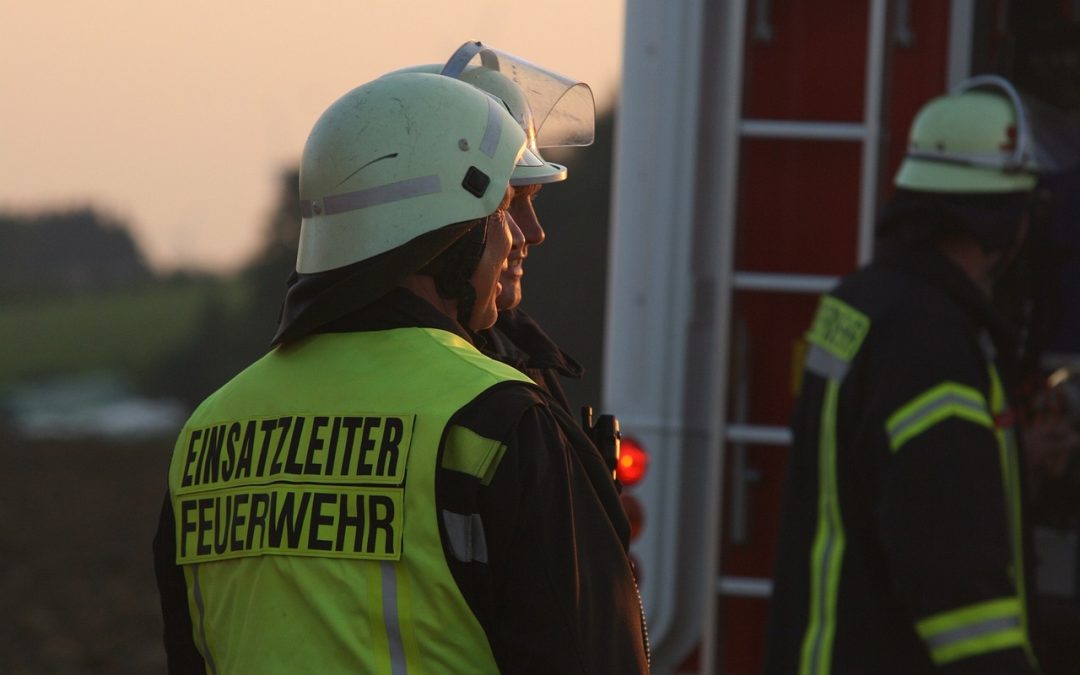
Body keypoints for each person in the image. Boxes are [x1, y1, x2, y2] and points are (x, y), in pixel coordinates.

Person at [152, 70, 649, 674]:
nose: (524, 237)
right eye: (502, 210)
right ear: (451, 227)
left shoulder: (208, 430)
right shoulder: (501, 420)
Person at [764, 76, 1044, 674]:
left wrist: (1013, 454)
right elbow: (953, 570)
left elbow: (880, 466)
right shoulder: (931, 340)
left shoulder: (860, 303)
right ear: (1007, 219)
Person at [396, 41, 592, 412]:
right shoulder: (491, 394)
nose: (533, 233)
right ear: (429, 212)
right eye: (505, 203)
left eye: (531, 201)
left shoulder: (522, 360)